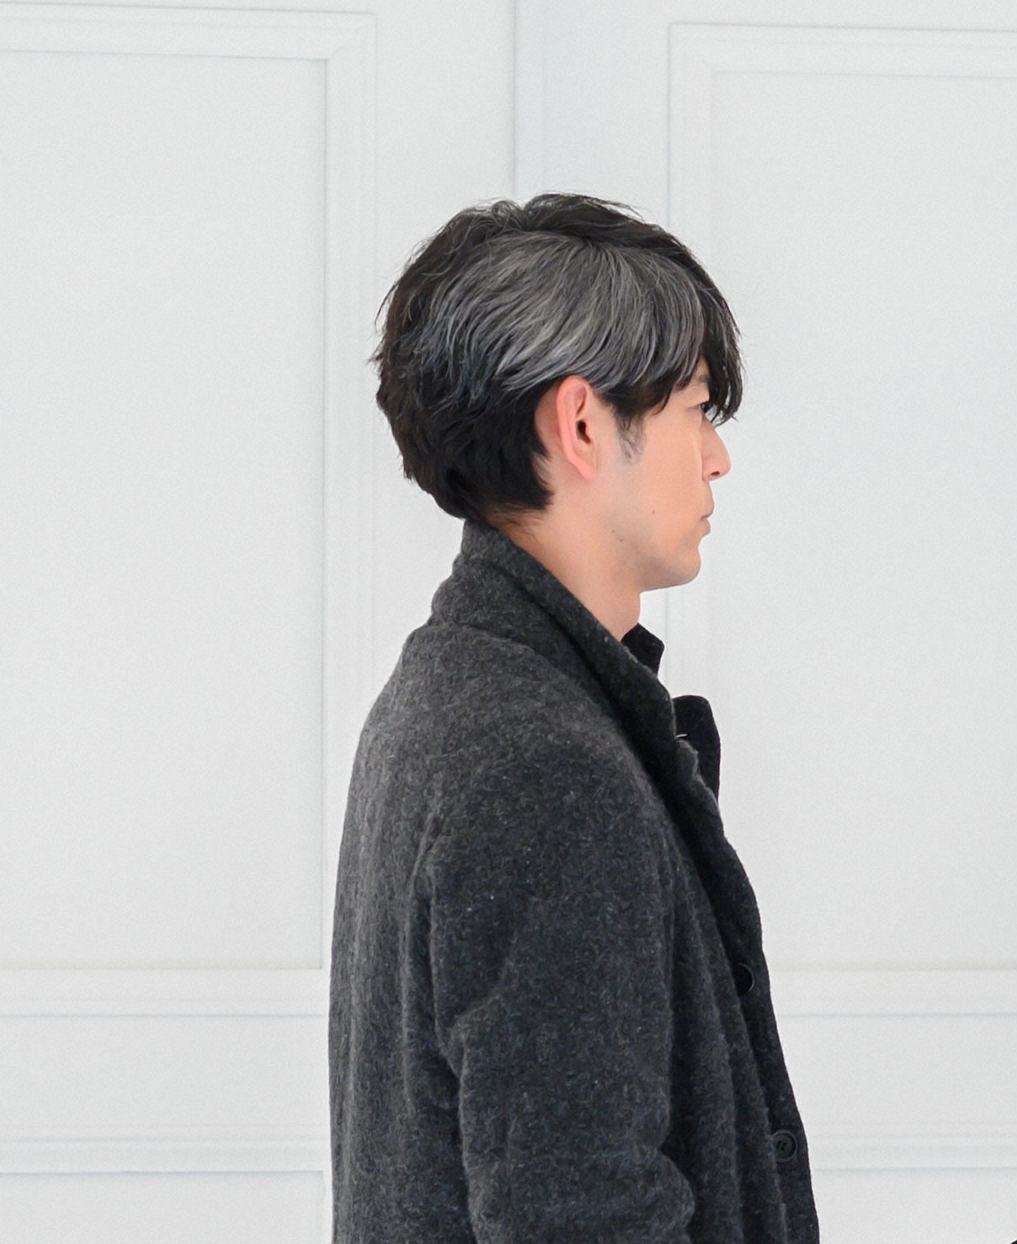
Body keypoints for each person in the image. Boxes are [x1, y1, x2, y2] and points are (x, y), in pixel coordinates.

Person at [329, 194, 817, 1242]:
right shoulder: (543, 767)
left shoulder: (448, 694)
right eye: (697, 409)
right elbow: (582, 1209)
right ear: (583, 425)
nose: (718, 458)